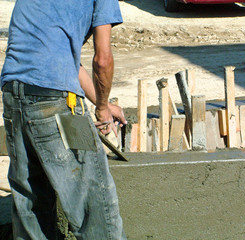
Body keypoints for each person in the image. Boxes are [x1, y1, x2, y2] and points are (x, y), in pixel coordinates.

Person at [0, 0, 127, 239]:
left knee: (31, 204)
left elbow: (66, 61)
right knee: (95, 203)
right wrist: (100, 108)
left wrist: (104, 103)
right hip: (56, 102)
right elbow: (103, 60)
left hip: (13, 95)